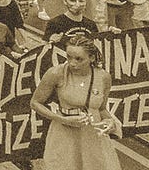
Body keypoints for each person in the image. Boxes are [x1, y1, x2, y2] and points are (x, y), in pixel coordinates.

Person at [31, 35, 123, 169]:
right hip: (64, 133)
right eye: (69, 57)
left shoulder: (103, 77)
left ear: (91, 58)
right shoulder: (56, 73)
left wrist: (110, 122)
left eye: (79, 59)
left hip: (93, 136)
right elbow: (35, 103)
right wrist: (62, 119)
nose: (72, 63)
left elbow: (101, 109)